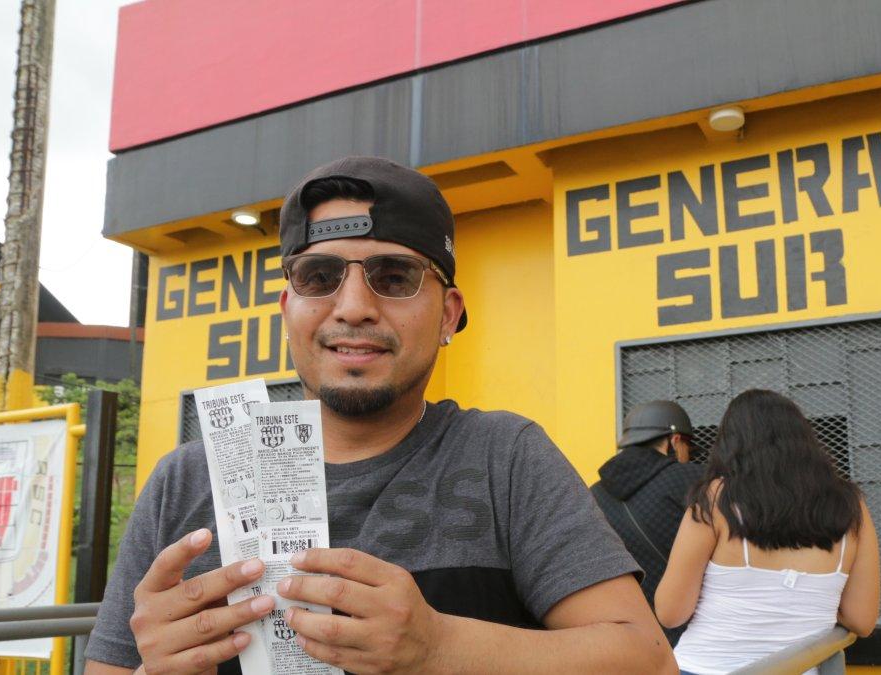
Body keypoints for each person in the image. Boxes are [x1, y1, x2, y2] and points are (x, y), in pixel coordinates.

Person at [84, 157, 674, 674]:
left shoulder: (505, 457)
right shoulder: (186, 481)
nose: (355, 307)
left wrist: (441, 647)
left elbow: (645, 662)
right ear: (288, 308)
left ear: (448, 315)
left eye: (395, 277)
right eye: (320, 277)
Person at [654, 389, 880, 675]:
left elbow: (670, 613)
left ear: (730, 443)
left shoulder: (717, 498)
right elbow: (862, 619)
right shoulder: (852, 506)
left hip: (705, 667)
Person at [591, 400, 703, 644]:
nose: (689, 455)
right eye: (688, 446)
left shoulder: (593, 495)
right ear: (674, 441)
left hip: (629, 638)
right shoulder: (694, 481)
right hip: (694, 638)